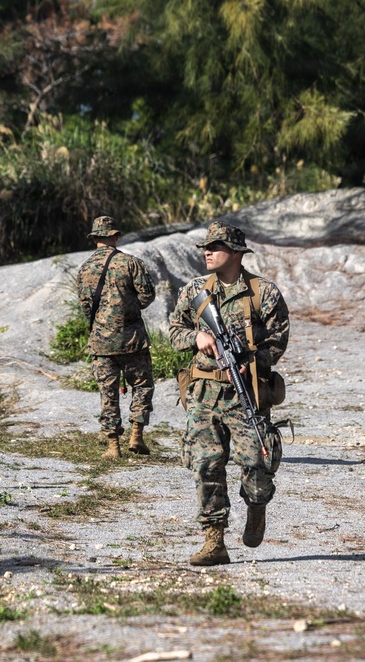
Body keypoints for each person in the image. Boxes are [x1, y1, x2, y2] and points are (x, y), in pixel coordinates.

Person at [169, 221, 289, 566]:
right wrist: (197, 338)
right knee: (206, 464)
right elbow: (175, 329)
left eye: (216, 247)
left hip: (244, 391)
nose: (208, 252)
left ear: (235, 252)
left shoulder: (262, 292)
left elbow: (277, 340)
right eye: (206, 247)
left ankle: (257, 504)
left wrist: (250, 361)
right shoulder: (194, 290)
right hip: (204, 391)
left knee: (256, 460)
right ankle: (214, 541)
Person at [77, 216, 156, 458]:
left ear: (94, 239)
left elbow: (85, 306)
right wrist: (129, 308)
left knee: (107, 393)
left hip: (101, 342)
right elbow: (148, 295)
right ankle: (136, 436)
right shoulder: (132, 263)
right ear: (115, 236)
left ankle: (113, 446)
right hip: (132, 339)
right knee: (142, 385)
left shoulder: (84, 269)